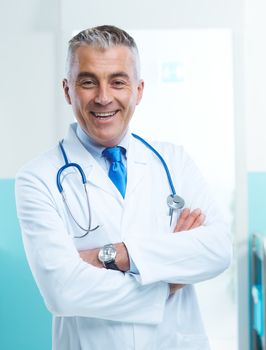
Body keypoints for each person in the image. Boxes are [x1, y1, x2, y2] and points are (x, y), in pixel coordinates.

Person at [15, 25, 232, 350]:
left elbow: (217, 249)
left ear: (139, 90)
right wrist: (167, 280)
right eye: (88, 82)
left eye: (118, 81)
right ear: (67, 90)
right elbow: (62, 290)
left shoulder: (174, 161)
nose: (104, 97)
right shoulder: (38, 178)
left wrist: (115, 255)